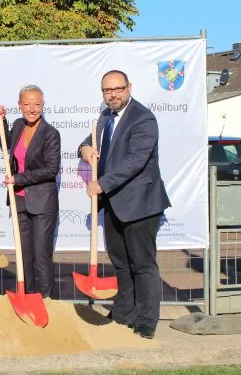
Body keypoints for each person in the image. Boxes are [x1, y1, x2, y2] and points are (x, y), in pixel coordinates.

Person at [78, 69, 171, 340]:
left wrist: (102, 184)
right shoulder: (106, 115)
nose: (113, 94)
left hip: (140, 204)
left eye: (118, 89)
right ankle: (123, 312)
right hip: (115, 204)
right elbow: (91, 141)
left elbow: (135, 161)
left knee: (142, 264)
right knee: (120, 262)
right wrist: (83, 149)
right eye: (108, 90)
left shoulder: (143, 118)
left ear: (129, 87)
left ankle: (145, 321)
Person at [0, 85, 61, 298]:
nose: (32, 109)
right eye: (27, 104)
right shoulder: (18, 125)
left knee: (41, 255)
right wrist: (0, 121)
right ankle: (29, 297)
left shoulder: (51, 134)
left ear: (43, 105)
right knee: (24, 255)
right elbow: (6, 145)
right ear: (20, 105)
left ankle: (47, 299)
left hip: (42, 202)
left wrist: (18, 179)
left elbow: (51, 169)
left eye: (36, 104)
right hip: (19, 200)